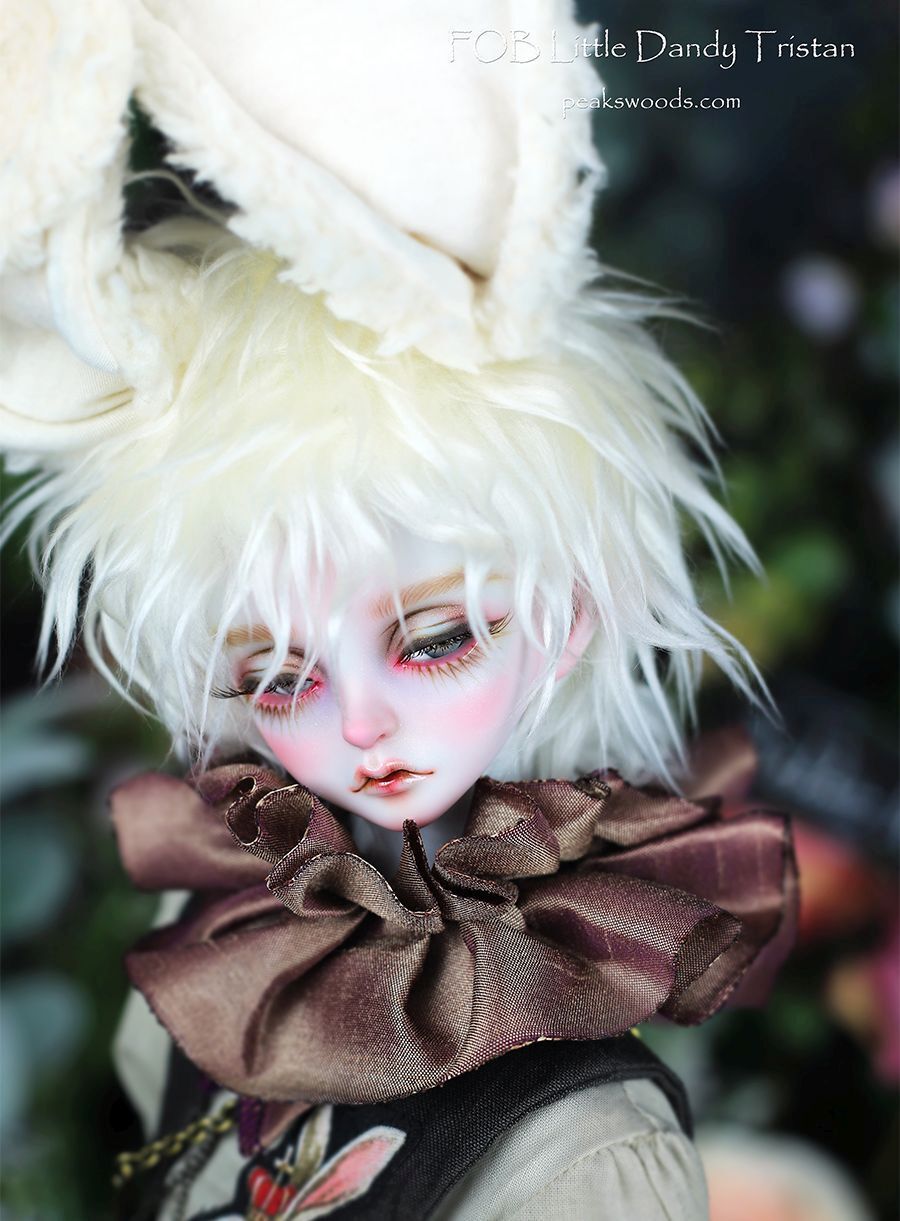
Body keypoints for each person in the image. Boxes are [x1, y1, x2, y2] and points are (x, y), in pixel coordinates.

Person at [1, 5, 796, 1217]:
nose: (362, 724)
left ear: (569, 614)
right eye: (281, 676)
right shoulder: (223, 929)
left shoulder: (580, 1154)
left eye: (436, 638)